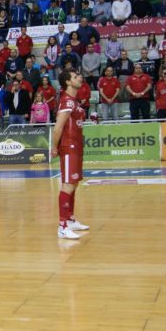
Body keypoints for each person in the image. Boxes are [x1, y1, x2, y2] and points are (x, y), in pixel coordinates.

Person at [51, 69, 90, 240]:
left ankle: (71, 219)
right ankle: (62, 226)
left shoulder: (74, 101)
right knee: (68, 184)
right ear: (67, 82)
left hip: (77, 146)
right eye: (75, 77)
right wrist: (54, 147)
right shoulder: (66, 101)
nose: (79, 78)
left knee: (73, 183)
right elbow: (58, 127)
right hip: (68, 147)